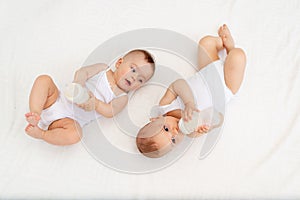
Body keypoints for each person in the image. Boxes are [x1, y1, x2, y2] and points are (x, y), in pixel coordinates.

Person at [136, 24, 246, 158]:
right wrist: (208, 126)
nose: (175, 132)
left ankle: (222, 47)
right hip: (225, 85)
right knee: (238, 56)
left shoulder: (165, 106)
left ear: (156, 119)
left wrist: (189, 103)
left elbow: (178, 84)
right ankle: (230, 49)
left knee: (206, 43)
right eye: (173, 141)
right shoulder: (191, 130)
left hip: (206, 71)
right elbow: (219, 117)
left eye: (166, 129)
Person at [25, 49, 155, 146]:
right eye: (133, 69)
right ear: (119, 62)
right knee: (44, 80)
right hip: (56, 99)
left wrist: (96, 104)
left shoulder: (122, 97)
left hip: (67, 121)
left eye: (140, 79)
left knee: (76, 134)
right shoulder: (103, 69)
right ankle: (35, 113)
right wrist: (79, 85)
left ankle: (42, 134)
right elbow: (82, 72)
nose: (134, 77)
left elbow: (110, 111)